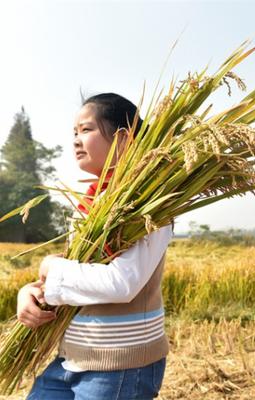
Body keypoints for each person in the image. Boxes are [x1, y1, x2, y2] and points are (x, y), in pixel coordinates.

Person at [18, 93, 172, 400]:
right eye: (74, 132)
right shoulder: (90, 203)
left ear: (124, 138)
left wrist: (50, 266)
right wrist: (33, 291)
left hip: (120, 364)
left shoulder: (149, 203)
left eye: (86, 130)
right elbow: (78, 270)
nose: (76, 140)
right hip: (72, 355)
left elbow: (121, 284)